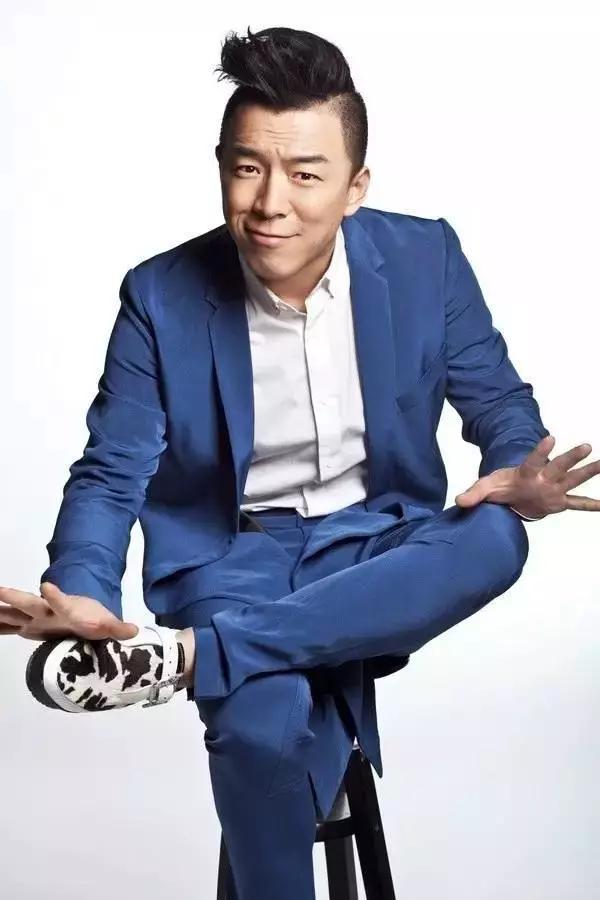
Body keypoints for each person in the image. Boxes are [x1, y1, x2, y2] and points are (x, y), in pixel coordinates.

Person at [2, 25, 599, 900]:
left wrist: (521, 464)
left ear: (356, 188)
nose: (269, 202)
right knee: (261, 730)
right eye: (247, 168)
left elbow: (499, 402)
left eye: (306, 175)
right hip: (232, 559)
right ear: (221, 166)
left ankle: (188, 658)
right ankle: (223, 655)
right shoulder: (160, 294)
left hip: (377, 548)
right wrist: (82, 588)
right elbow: (110, 469)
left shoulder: (425, 258)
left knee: (496, 538)